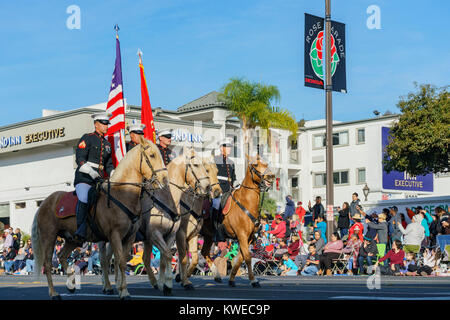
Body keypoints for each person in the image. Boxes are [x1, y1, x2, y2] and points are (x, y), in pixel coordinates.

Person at [73, 112, 115, 243]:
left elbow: (108, 165)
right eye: (103, 124)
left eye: (107, 124)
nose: (106, 126)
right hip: (85, 178)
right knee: (85, 198)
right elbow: (80, 158)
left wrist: (113, 173)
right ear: (96, 125)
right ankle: (81, 228)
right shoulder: (87, 138)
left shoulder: (107, 144)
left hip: (100, 180)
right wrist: (90, 172)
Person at [211, 137, 237, 242]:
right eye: (227, 146)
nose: (229, 149)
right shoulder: (215, 159)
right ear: (221, 148)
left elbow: (233, 177)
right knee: (217, 205)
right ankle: (216, 231)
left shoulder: (231, 162)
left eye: (230, 147)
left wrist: (235, 186)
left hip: (229, 189)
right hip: (218, 189)